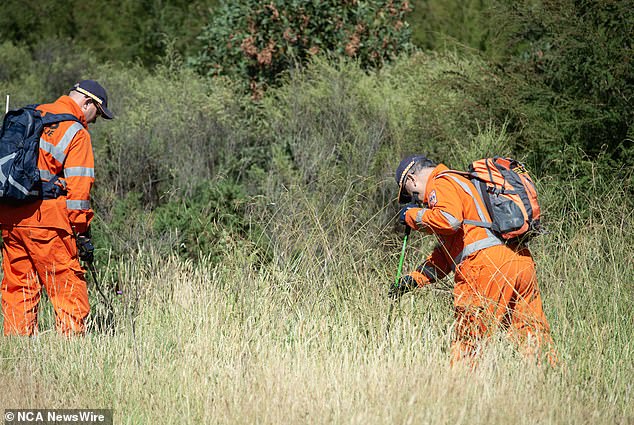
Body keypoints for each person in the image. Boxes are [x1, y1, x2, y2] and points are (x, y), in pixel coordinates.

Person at [391, 154, 556, 365]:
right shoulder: (465, 183)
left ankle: (459, 392)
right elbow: (447, 253)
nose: (417, 200)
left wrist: (412, 216)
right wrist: (414, 279)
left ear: (412, 180)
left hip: (486, 268)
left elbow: (449, 221)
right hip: (519, 262)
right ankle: (549, 378)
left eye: (410, 194)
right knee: (532, 335)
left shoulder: (440, 182)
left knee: (469, 342)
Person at [0, 80, 114, 336]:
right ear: (87, 103)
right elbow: (78, 194)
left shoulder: (34, 114)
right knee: (66, 284)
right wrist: (81, 230)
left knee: (19, 285)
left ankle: (17, 346)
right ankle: (72, 347)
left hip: (10, 217)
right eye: (97, 113)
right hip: (48, 222)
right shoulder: (75, 132)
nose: (93, 121)